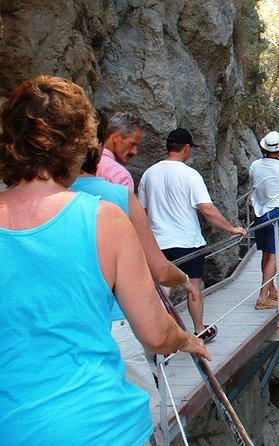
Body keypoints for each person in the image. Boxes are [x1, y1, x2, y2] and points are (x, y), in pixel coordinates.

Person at [0, 75, 209, 445]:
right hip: (103, 425)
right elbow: (156, 333)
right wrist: (187, 340)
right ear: (78, 143)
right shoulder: (103, 217)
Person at [71, 113, 197, 402]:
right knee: (146, 411)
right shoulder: (118, 188)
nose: (136, 151)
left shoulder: (52, 197)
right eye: (133, 144)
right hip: (116, 318)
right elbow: (160, 270)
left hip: (73, 325)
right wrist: (185, 284)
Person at [138, 128, 247, 342]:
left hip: (158, 242)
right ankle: (199, 329)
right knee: (193, 286)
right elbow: (207, 209)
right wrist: (232, 229)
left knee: (162, 289)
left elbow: (141, 211)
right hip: (187, 242)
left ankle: (158, 334)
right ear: (186, 149)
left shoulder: (149, 174)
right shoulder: (190, 174)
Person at [249, 131, 279, 309]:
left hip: (259, 214)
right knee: (274, 256)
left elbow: (254, 181)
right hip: (277, 213)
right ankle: (262, 298)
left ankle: (272, 290)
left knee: (266, 254)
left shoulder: (254, 165)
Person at [97, 111, 142, 192]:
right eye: (132, 144)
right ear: (116, 137)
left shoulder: (81, 165)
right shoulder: (121, 177)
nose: (134, 151)